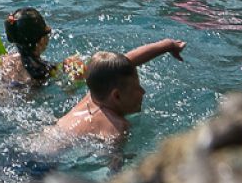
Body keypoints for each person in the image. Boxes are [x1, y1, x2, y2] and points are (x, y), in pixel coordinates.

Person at [50, 40, 186, 143]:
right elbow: (114, 171)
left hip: (42, 138)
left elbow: (124, 62)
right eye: (137, 87)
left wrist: (168, 45)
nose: (143, 92)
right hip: (42, 166)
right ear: (116, 95)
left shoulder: (93, 93)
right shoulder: (117, 127)